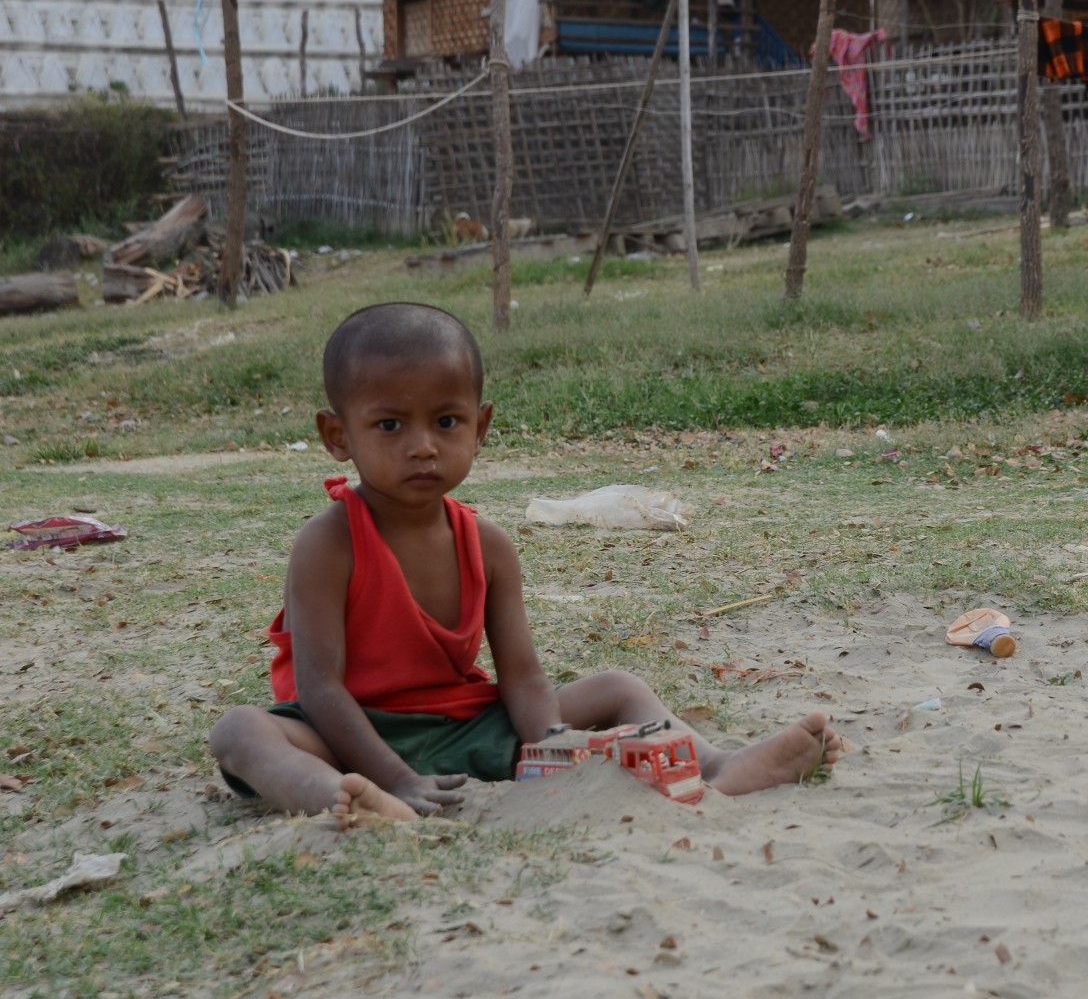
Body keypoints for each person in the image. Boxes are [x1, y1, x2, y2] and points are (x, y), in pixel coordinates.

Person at [210, 303, 842, 824]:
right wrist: (395, 776)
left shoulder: (488, 544)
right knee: (240, 732)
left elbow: (522, 678)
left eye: (447, 421)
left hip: (465, 727)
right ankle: (353, 802)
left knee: (618, 686)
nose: (424, 446)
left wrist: (554, 748)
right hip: (347, 736)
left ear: (480, 428)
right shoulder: (328, 544)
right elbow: (320, 691)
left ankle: (717, 766)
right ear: (338, 436)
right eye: (391, 425)